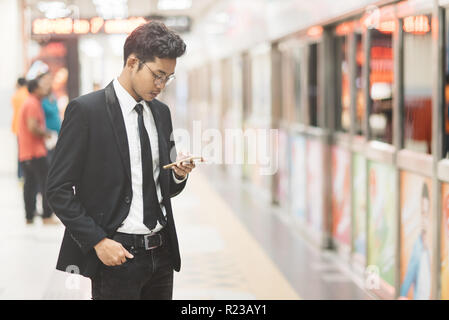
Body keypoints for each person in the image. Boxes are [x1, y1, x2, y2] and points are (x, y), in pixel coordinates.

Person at [46, 21, 196, 300]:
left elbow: (163, 186)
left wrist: (177, 174)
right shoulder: (87, 111)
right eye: (157, 75)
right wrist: (98, 242)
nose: (161, 86)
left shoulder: (161, 113)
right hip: (117, 256)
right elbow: (57, 190)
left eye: (168, 78)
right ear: (132, 62)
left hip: (161, 254)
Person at [18, 62, 58, 225]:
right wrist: (48, 134)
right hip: (35, 151)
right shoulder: (33, 103)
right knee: (46, 183)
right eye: (42, 85)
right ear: (35, 87)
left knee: (30, 184)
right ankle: (47, 216)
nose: (46, 87)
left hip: (27, 151)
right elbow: (33, 127)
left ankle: (29, 216)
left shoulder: (31, 101)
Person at [399, 182, 432, 299]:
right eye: (422, 213)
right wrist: (402, 295)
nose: (424, 219)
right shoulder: (418, 246)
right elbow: (409, 274)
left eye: (427, 213)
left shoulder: (431, 249)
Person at [11, 77, 28, 179]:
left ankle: (20, 174)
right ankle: (22, 174)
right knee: (24, 152)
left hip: (17, 127)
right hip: (24, 128)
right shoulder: (26, 94)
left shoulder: (17, 95)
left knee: (21, 151)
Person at [42, 92, 61, 165]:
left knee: (56, 153)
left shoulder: (54, 98)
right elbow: (49, 110)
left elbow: (56, 110)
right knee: (50, 153)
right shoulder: (43, 101)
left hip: (57, 129)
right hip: (49, 130)